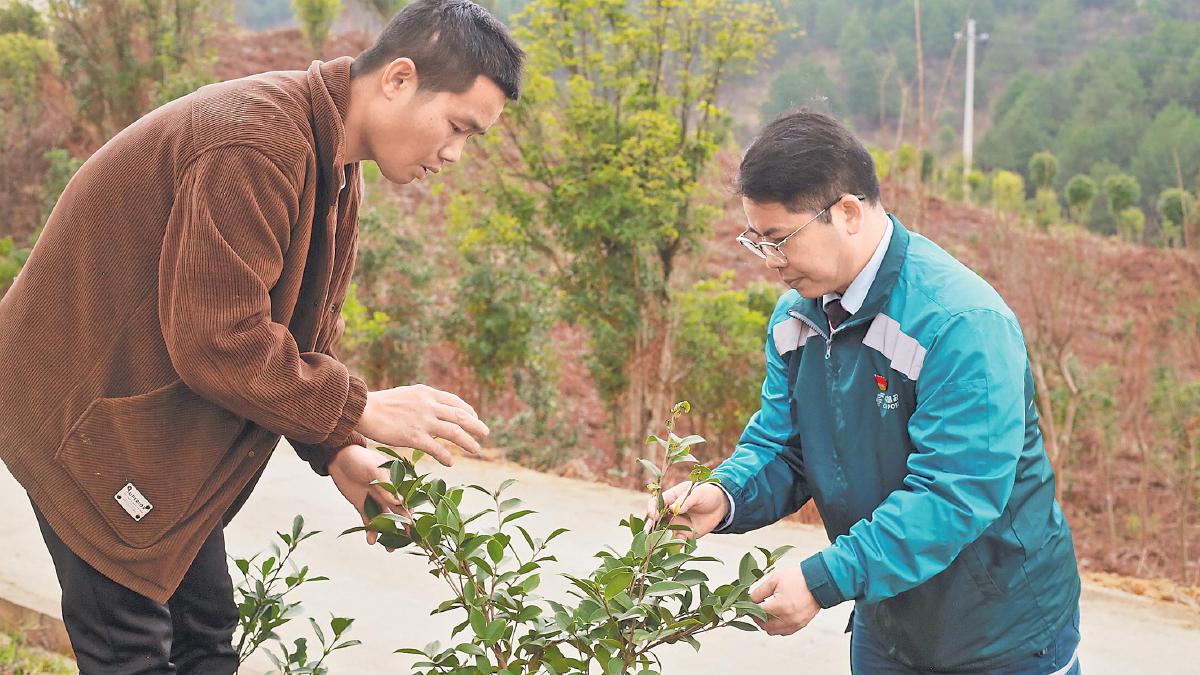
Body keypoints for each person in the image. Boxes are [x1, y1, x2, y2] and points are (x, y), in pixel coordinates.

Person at [0, 1, 523, 672]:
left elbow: (297, 333)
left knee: (206, 633)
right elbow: (217, 339)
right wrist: (361, 407)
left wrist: (339, 447)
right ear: (398, 79)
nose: (453, 154)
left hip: (145, 425)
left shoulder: (330, 159)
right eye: (456, 127)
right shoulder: (256, 140)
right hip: (80, 422)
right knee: (133, 650)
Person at [650, 109, 1082, 673]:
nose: (772, 263)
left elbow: (955, 492)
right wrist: (724, 495)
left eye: (780, 240)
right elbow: (785, 446)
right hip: (887, 620)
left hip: (1000, 634)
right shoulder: (798, 319)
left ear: (848, 212)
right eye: (759, 242)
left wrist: (825, 578)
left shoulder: (959, 323)